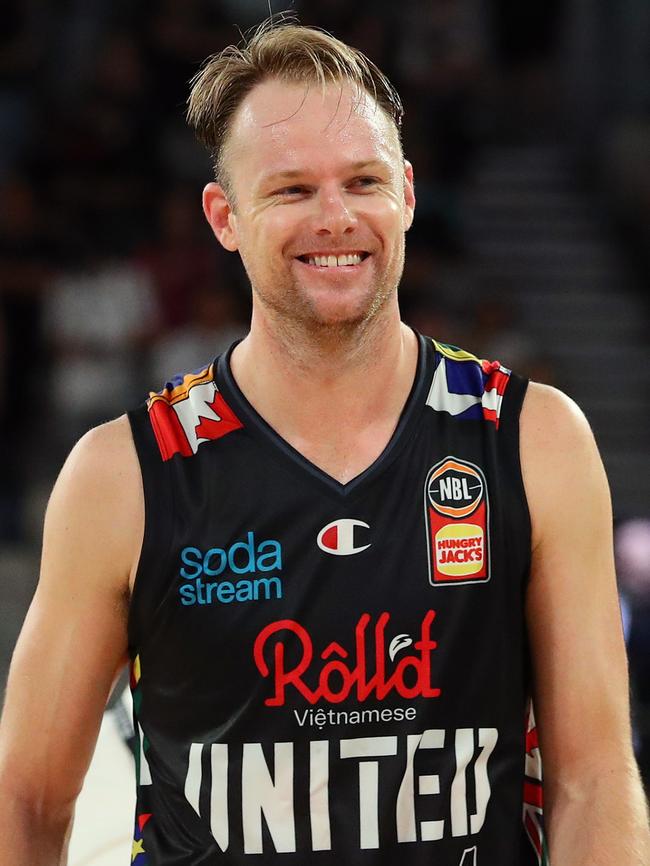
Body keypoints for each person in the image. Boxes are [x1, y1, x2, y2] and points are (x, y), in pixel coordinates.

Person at [0, 19, 648, 866]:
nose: (336, 218)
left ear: (408, 194)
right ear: (224, 216)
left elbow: (594, 778)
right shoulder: (125, 474)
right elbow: (28, 795)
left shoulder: (534, 439)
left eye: (363, 181)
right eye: (293, 190)